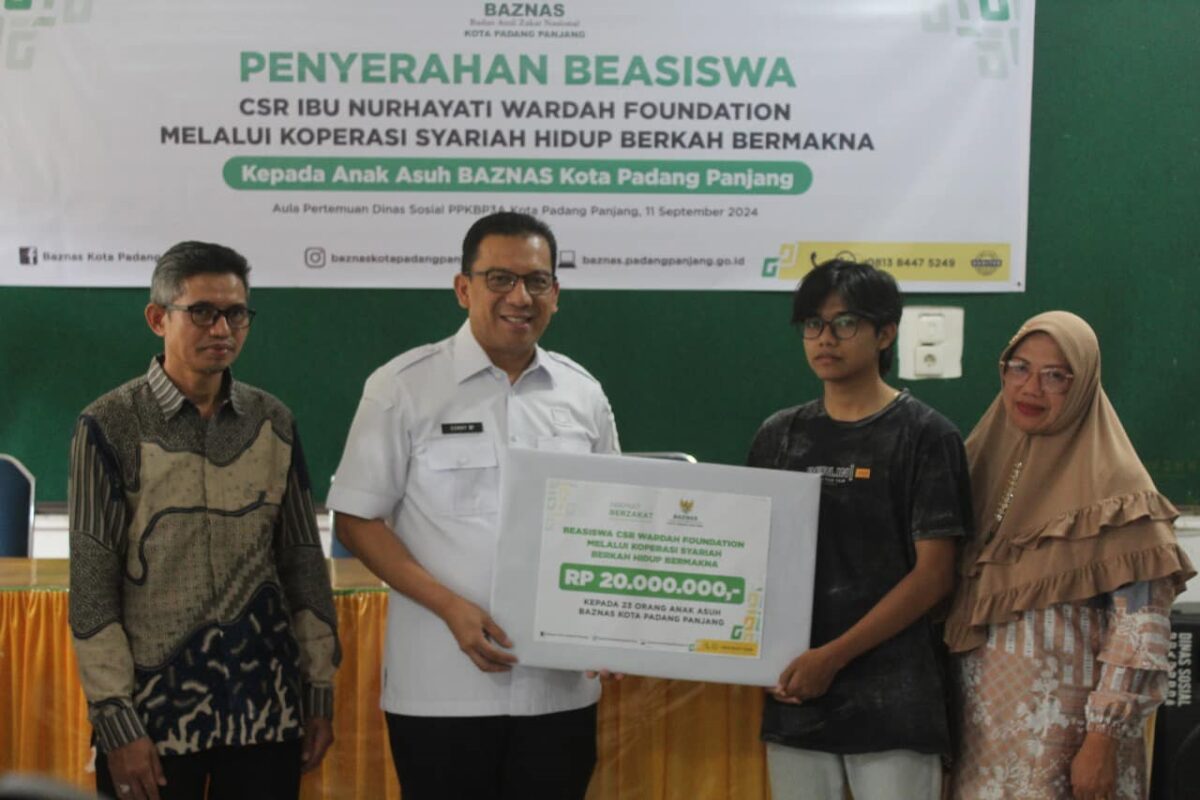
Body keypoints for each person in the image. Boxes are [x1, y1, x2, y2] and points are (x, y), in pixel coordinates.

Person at [327, 211, 619, 799]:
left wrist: (609, 622)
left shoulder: (582, 393)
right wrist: (450, 607)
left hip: (559, 690)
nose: (520, 297)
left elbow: (612, 520)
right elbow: (357, 520)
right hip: (442, 689)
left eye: (537, 281)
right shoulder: (403, 387)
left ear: (556, 294)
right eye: (500, 279)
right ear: (464, 288)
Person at [68, 241, 340, 800]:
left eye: (236, 313)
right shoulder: (108, 425)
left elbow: (303, 564)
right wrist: (117, 723)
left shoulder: (273, 421)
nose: (222, 328)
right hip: (154, 719)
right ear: (157, 318)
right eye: (202, 312)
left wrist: (317, 694)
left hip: (266, 711)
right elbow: (93, 590)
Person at [745, 259, 973, 800]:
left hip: (894, 701)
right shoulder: (779, 436)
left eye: (845, 323)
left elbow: (934, 576)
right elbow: (751, 557)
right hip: (796, 692)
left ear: (885, 333)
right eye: (813, 325)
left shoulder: (927, 436)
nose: (826, 339)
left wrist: (832, 657)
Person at [945, 310, 1194, 800]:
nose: (1031, 388)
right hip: (978, 741)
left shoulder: (1121, 495)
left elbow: (1139, 632)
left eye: (1056, 376)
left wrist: (1102, 741)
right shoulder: (974, 468)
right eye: (1019, 368)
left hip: (1067, 743)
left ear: (1082, 387)